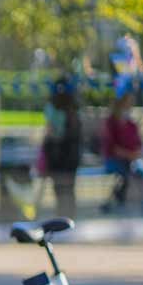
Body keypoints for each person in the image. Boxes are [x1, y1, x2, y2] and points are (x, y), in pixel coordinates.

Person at [99, 93, 143, 218]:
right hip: (116, 160)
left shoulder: (131, 124)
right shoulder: (111, 123)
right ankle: (118, 204)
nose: (128, 107)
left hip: (133, 160)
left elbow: (139, 145)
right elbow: (112, 148)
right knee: (129, 175)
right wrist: (129, 155)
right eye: (126, 104)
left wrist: (136, 154)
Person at [42, 77, 84, 219]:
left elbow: (50, 133)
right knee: (66, 190)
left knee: (63, 190)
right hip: (64, 157)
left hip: (62, 156)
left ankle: (64, 218)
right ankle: (66, 218)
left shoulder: (64, 109)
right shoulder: (70, 109)